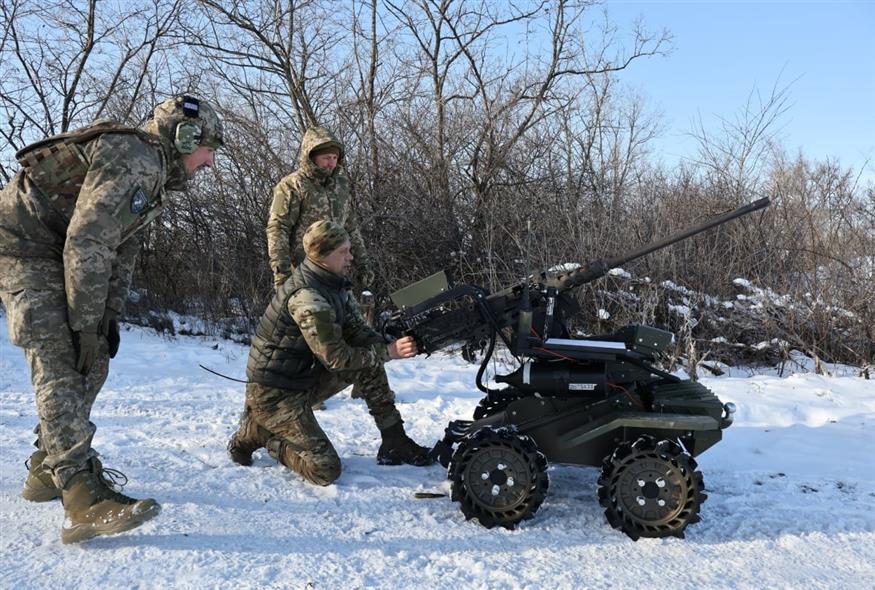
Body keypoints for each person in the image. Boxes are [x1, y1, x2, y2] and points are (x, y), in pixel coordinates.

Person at [0, 95, 223, 543]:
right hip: (24, 247)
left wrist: (106, 321)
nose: (211, 162)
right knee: (61, 358)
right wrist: (83, 324)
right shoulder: (135, 155)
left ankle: (48, 466)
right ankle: (81, 496)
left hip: (57, 249)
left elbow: (121, 252)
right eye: (210, 148)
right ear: (185, 137)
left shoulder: (153, 174)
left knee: (95, 355)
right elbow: (87, 242)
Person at [227, 220, 433, 485]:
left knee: (368, 358)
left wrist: (388, 341)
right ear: (322, 256)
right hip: (274, 395)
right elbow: (335, 358)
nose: (351, 257)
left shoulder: (333, 284)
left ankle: (395, 440)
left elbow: (358, 332)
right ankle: (263, 434)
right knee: (324, 469)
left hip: (302, 380)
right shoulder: (308, 298)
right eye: (344, 251)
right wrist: (388, 352)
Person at [267, 126, 374, 290]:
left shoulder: (340, 187)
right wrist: (282, 273)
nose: (331, 163)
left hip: (336, 274)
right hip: (304, 274)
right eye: (326, 158)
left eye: (334, 157)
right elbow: (278, 228)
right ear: (311, 158)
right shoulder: (292, 185)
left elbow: (351, 228)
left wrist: (363, 264)